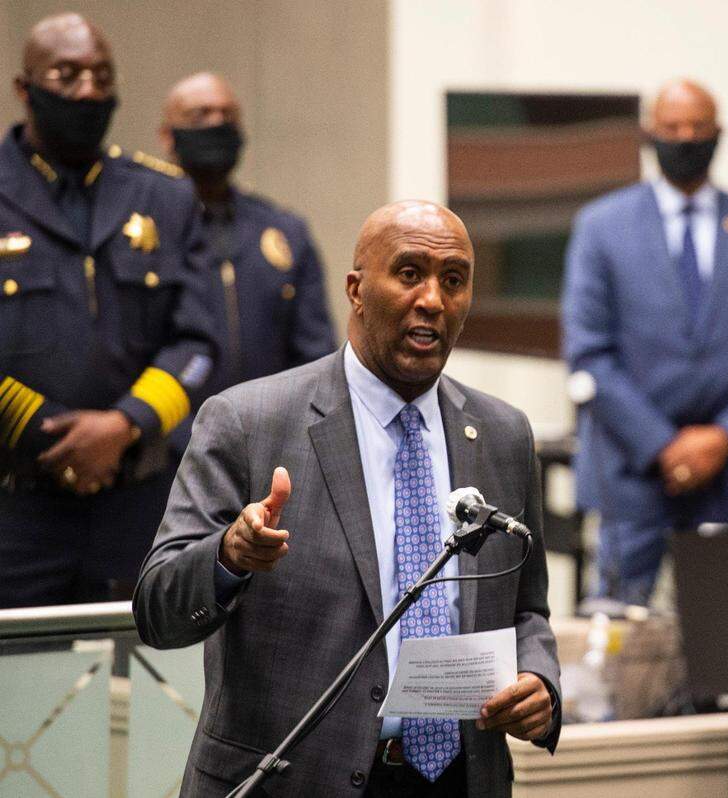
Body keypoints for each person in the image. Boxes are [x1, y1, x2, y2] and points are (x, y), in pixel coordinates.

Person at [134, 201, 560, 797]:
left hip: (459, 778)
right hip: (297, 780)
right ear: (356, 290)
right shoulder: (247, 422)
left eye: (453, 280)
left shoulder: (502, 434)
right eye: (409, 273)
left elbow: (528, 609)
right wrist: (229, 556)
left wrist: (540, 678)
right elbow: (157, 610)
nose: (433, 300)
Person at [0, 13, 216, 608]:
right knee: (20, 692)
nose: (88, 91)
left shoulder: (165, 196)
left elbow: (198, 343)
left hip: (137, 501)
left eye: (101, 76)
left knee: (139, 687)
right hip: (16, 504)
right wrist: (54, 435)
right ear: (25, 89)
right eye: (67, 75)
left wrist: (122, 426)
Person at [562, 78, 728, 605]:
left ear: (719, 134)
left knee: (727, 656)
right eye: (673, 127)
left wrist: (722, 438)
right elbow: (587, 352)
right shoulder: (602, 227)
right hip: (630, 471)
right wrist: (663, 445)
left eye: (699, 127)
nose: (686, 137)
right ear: (650, 133)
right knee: (619, 654)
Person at [158, 71, 334, 412]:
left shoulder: (284, 231)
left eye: (228, 115)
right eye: (201, 115)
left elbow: (316, 356)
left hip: (268, 438)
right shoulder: (146, 231)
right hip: (168, 444)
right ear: (167, 136)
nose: (217, 123)